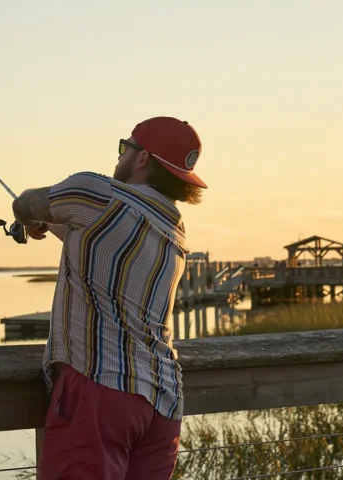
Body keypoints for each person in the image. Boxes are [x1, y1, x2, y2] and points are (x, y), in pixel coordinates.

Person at [11, 117, 207, 480]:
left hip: (100, 394)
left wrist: (29, 214)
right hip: (163, 404)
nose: (119, 156)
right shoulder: (173, 229)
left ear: (142, 158)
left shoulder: (97, 192)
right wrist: (54, 224)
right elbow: (103, 246)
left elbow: (26, 204)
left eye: (124, 147)